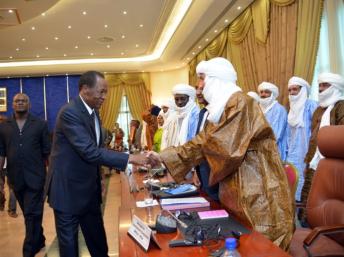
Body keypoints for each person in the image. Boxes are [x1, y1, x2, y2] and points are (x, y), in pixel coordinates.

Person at [148, 57, 294, 250]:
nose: (200, 86)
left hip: (257, 192)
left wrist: (166, 156)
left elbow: (221, 146)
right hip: (237, 192)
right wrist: (163, 156)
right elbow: (203, 141)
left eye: (202, 79)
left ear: (216, 79)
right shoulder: (221, 109)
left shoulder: (242, 103)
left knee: (258, 247)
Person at [46, 71, 149, 257]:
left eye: (105, 93)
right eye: (101, 92)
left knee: (99, 245)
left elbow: (97, 148)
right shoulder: (70, 112)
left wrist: (100, 177)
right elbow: (89, 151)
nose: (104, 97)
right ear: (85, 89)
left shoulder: (94, 113)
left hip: (89, 191)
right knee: (69, 249)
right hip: (67, 192)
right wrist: (130, 158)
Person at [0, 93, 51, 257]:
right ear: (12, 104)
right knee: (31, 214)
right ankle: (40, 239)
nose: (20, 103)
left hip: (36, 178)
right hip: (15, 180)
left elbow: (47, 153)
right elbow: (1, 154)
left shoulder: (40, 125)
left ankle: (28, 250)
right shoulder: (3, 126)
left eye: (23, 101)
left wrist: (51, 178)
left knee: (31, 214)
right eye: (17, 101)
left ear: (29, 104)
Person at [299, 72, 344, 224]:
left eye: (325, 85)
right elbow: (313, 138)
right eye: (319, 86)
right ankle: (306, 227)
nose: (321, 89)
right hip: (314, 160)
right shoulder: (319, 110)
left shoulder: (340, 107)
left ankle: (321, 231)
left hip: (332, 163)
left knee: (325, 199)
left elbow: (339, 137)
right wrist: (307, 162)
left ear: (335, 87)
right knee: (308, 195)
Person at [285, 76, 318, 201]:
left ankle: (303, 215)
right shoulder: (292, 110)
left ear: (303, 90)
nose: (292, 93)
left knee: (306, 186)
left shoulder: (312, 105)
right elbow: (289, 135)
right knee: (292, 187)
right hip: (293, 154)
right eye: (290, 90)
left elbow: (316, 131)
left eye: (295, 89)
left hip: (307, 153)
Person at [194, 81, 219, 201]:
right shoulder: (203, 112)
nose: (198, 93)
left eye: (202, 89)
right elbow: (198, 143)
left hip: (217, 177)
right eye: (197, 89)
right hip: (203, 172)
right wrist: (196, 170)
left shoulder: (222, 112)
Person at [161, 84, 199, 150]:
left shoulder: (196, 115)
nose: (179, 102)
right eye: (176, 99)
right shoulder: (173, 117)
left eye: (182, 99)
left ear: (189, 99)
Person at [258, 82, 288, 161]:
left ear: (272, 94)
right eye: (261, 92)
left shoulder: (279, 110)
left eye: (266, 92)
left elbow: (276, 135)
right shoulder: (258, 109)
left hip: (274, 150)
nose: (263, 94)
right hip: (259, 150)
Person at [0, 114, 18, 217]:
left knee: (4, 187)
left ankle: (1, 205)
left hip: (9, 165)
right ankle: (11, 210)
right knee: (12, 188)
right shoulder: (11, 134)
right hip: (10, 164)